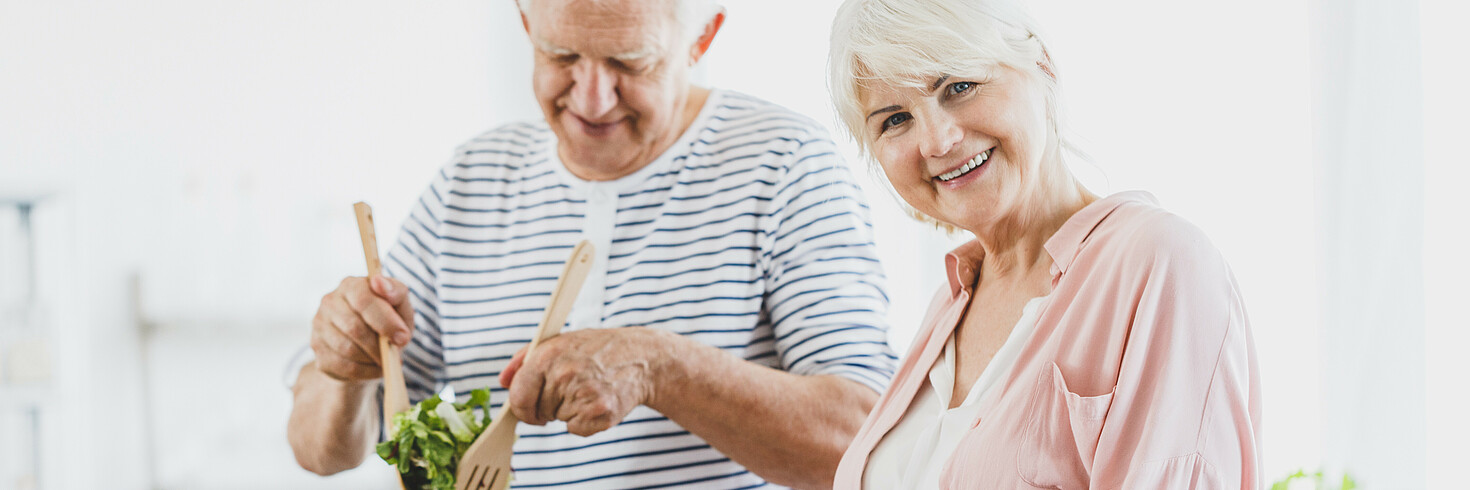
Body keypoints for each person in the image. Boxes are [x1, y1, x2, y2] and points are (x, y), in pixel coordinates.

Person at [286, 0, 897, 488]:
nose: (592, 96)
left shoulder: (784, 163)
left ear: (701, 39)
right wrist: (345, 368)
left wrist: (661, 368)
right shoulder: (470, 182)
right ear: (526, 25)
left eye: (630, 63)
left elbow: (860, 446)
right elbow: (321, 453)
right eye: (561, 54)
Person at [824, 0, 1262, 488]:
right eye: (895, 120)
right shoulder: (950, 303)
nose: (937, 141)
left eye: (959, 87)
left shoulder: (1160, 262)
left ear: (1041, 66)